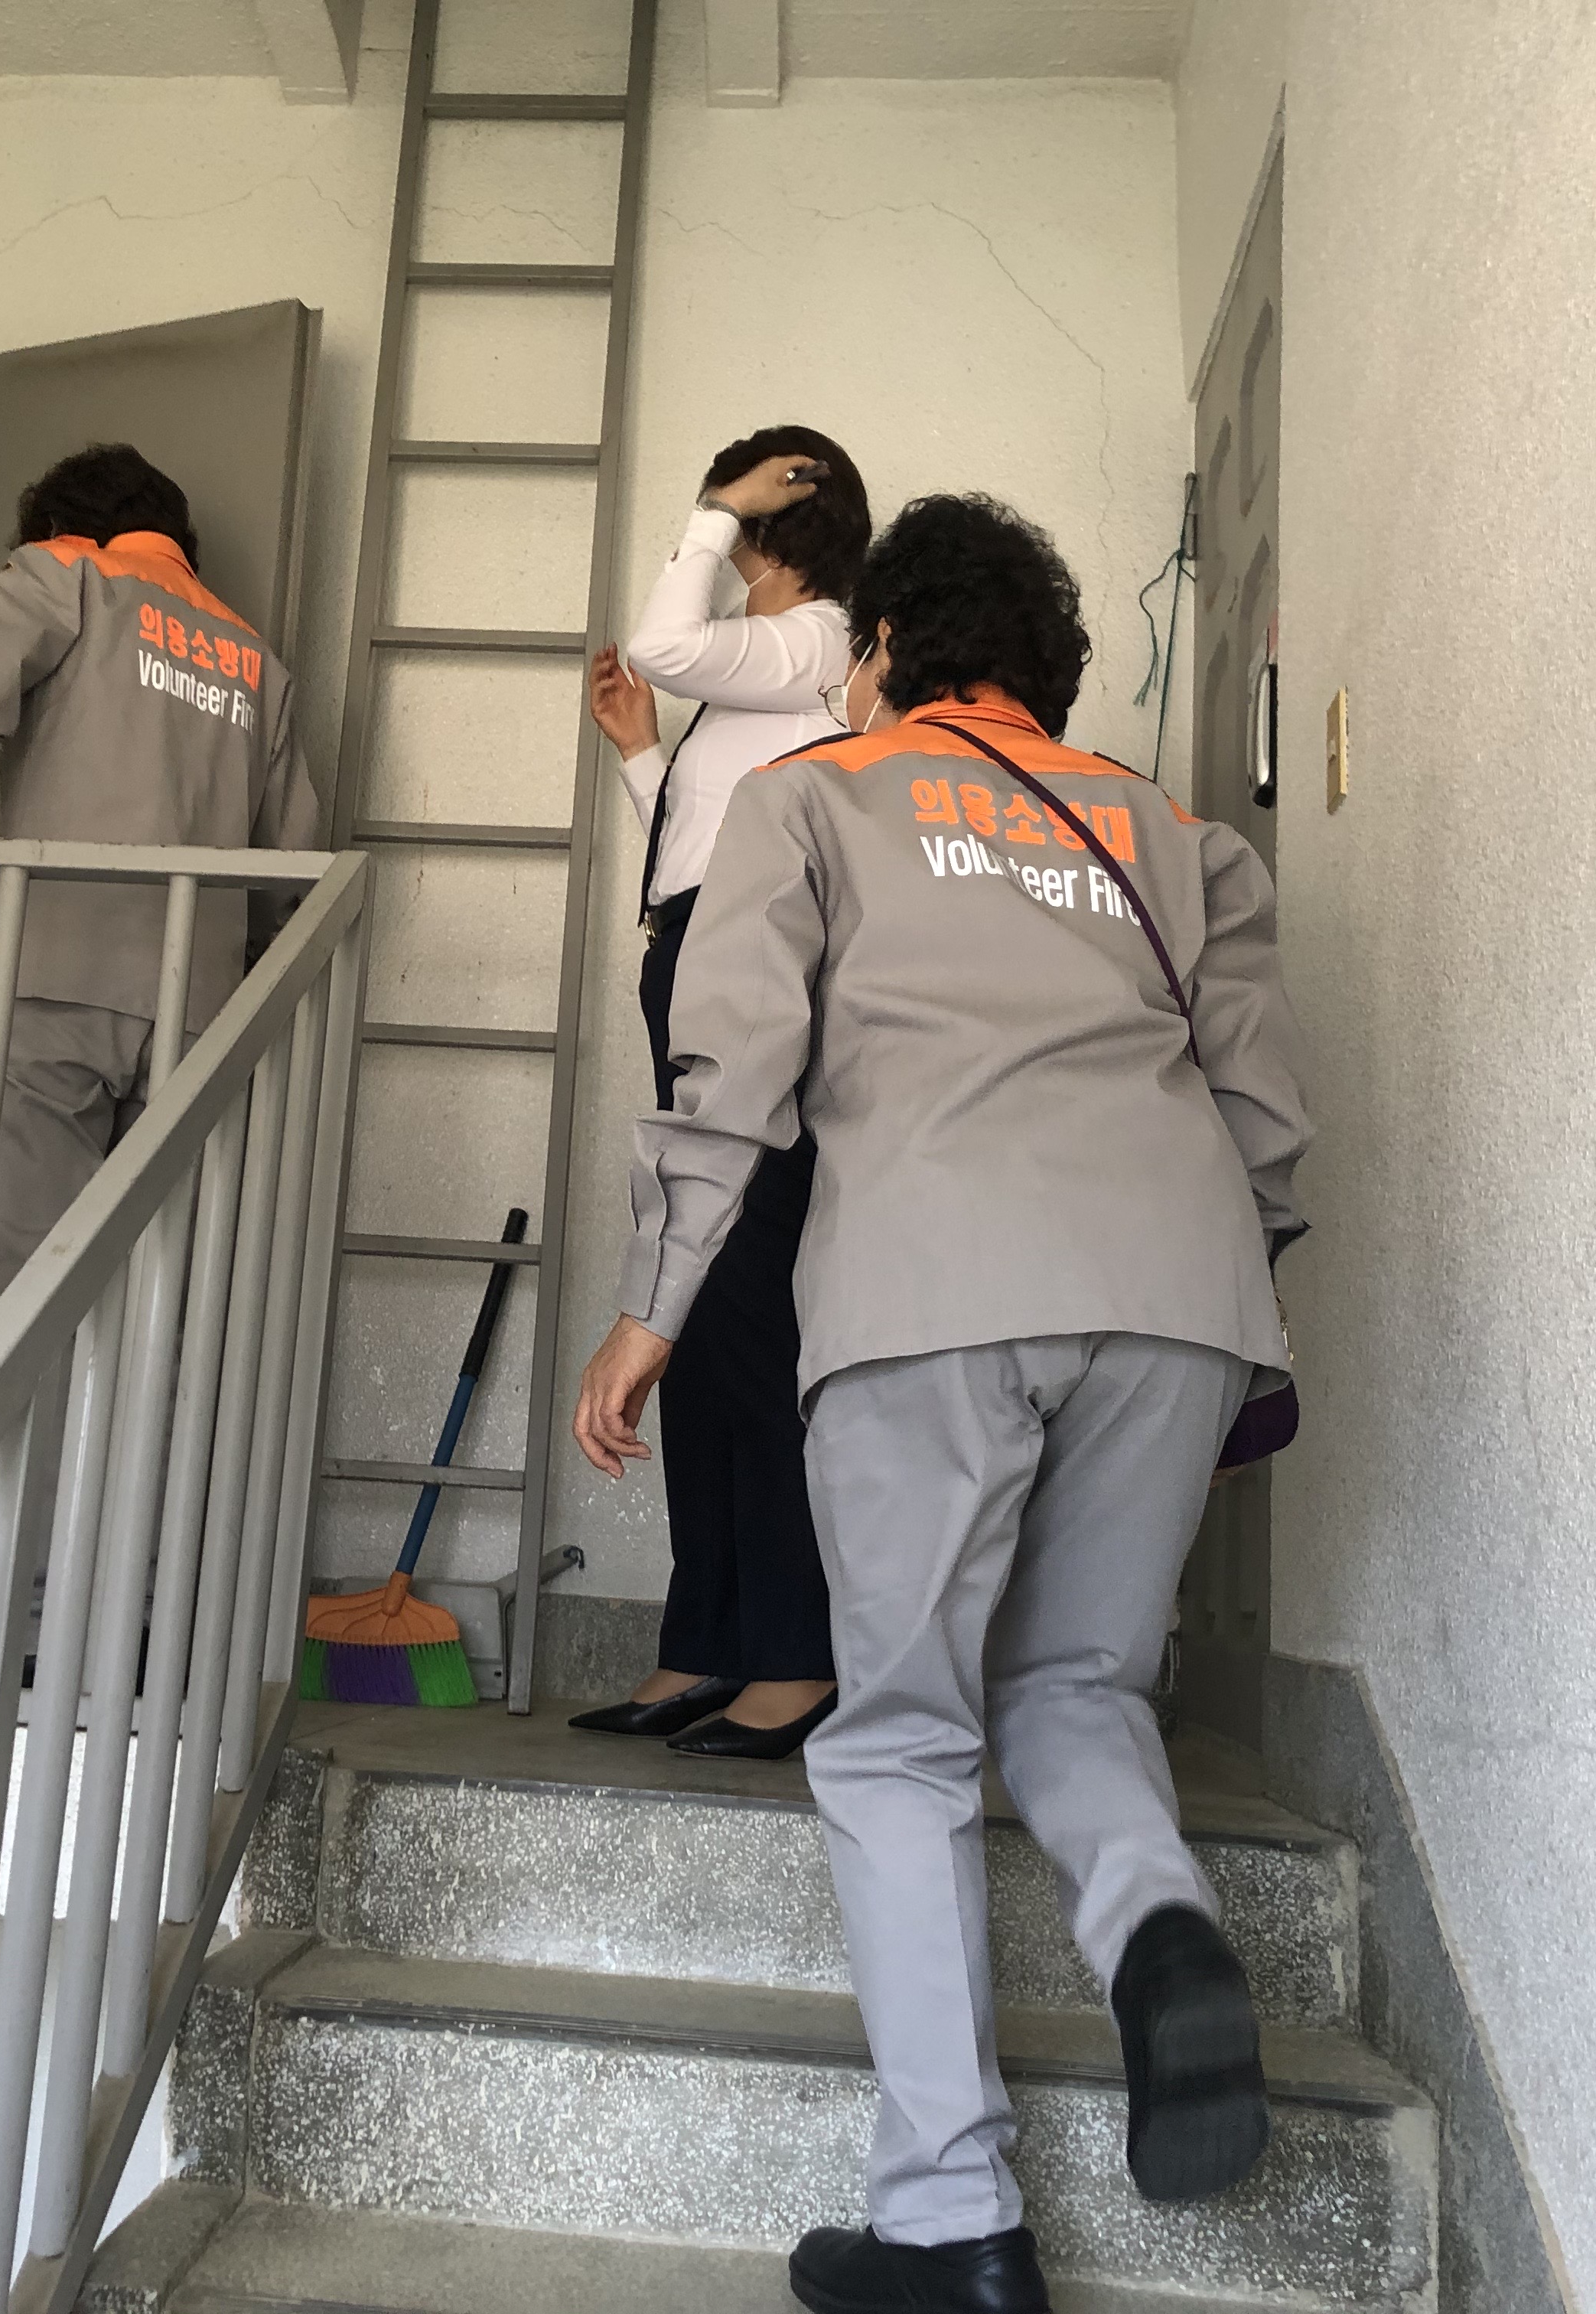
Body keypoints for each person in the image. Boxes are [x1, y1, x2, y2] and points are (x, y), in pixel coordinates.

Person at [571, 495, 1311, 2314]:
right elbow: (1267, 1133)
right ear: (1048, 676)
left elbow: (731, 1072)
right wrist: (1218, 1344)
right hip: (1176, 1295)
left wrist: (655, 1310)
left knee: (901, 1736)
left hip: (929, 1292)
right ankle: (1160, 1934)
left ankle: (952, 2226)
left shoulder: (815, 797)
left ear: (887, 649)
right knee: (1077, 1689)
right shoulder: (1174, 834)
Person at [0, 443, 321, 1295]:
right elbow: (290, 872)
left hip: (58, 971)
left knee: (28, 1278)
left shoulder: (64, 574)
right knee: (153, 1285)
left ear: (64, 524)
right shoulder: (256, 661)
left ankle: (25, 1393)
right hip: (196, 1009)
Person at [568, 424, 871, 1762]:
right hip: (701, 954)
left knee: (744, 1302)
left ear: (777, 510)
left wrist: (708, 511)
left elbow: (664, 641)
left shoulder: (818, 637)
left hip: (752, 972)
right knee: (692, 1305)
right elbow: (697, 847)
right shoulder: (771, 665)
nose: (721, 522)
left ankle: (795, 1653)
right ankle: (707, 1635)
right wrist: (644, 754)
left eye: (743, 501)